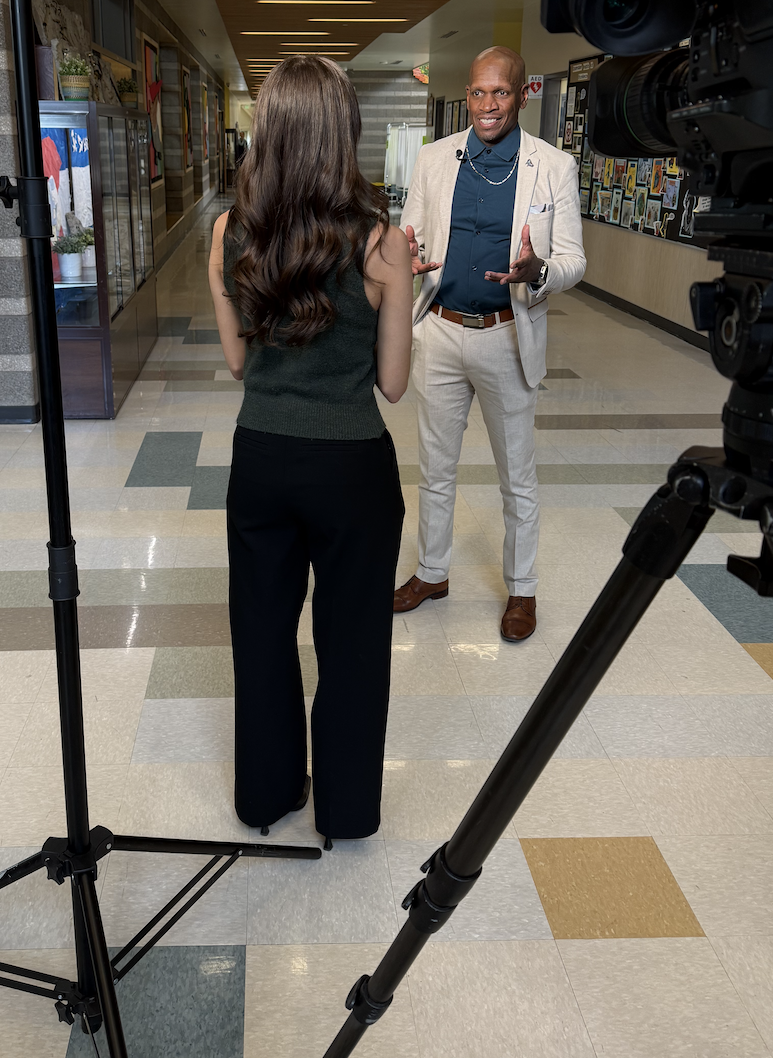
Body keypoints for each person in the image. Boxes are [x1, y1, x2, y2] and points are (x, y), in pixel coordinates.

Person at [209, 55, 413, 846]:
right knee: (353, 642)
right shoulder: (382, 242)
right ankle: (348, 809)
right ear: (344, 131)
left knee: (261, 635)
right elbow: (392, 383)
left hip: (261, 458)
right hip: (353, 465)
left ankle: (265, 795)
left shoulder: (232, 232)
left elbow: (238, 364)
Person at [395, 46, 586, 641]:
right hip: (440, 330)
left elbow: (574, 259)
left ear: (522, 94)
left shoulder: (553, 166)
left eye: (500, 92)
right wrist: (403, 258)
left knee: (517, 478)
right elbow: (408, 234)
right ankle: (432, 573)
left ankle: (522, 590)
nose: (487, 104)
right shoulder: (434, 159)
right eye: (478, 92)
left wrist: (538, 271)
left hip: (507, 334)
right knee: (435, 469)